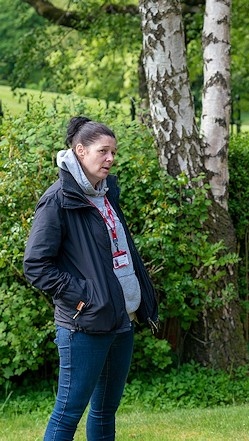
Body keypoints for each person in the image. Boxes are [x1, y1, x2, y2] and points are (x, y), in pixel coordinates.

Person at [23, 116, 159, 441]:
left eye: (114, 152)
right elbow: (36, 265)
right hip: (83, 326)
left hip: (120, 320)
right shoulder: (58, 201)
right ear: (80, 151)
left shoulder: (106, 192)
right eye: (103, 151)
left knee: (103, 413)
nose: (110, 158)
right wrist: (84, 297)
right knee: (68, 414)